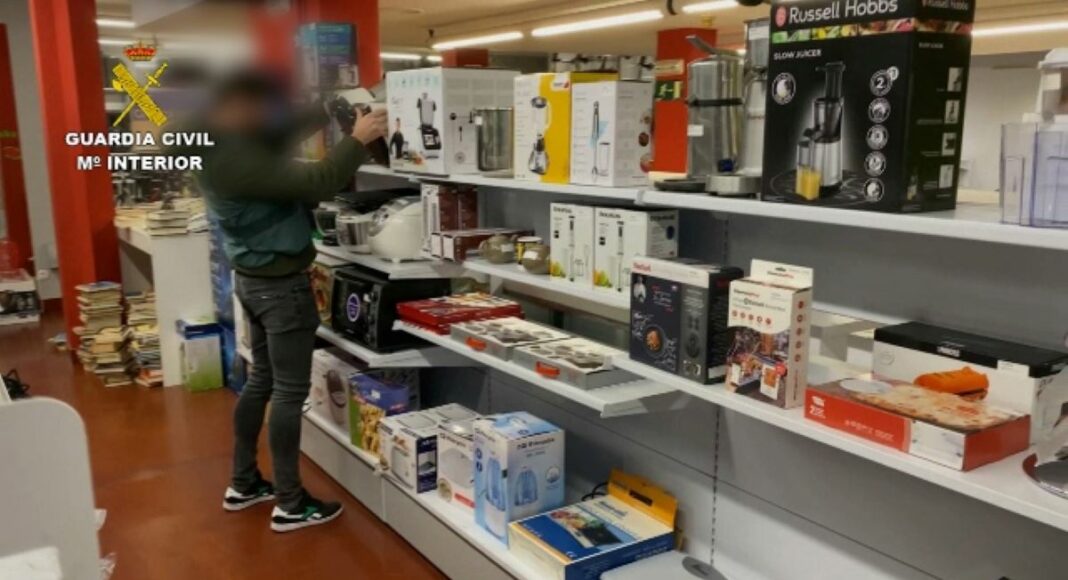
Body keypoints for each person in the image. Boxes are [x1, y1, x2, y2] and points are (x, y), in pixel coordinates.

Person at [190, 70, 388, 532]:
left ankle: (243, 483)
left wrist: (324, 110)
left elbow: (274, 138)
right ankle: (291, 503)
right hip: (279, 287)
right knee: (286, 392)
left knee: (261, 380)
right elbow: (319, 181)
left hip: (253, 280)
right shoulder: (234, 160)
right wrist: (357, 139)